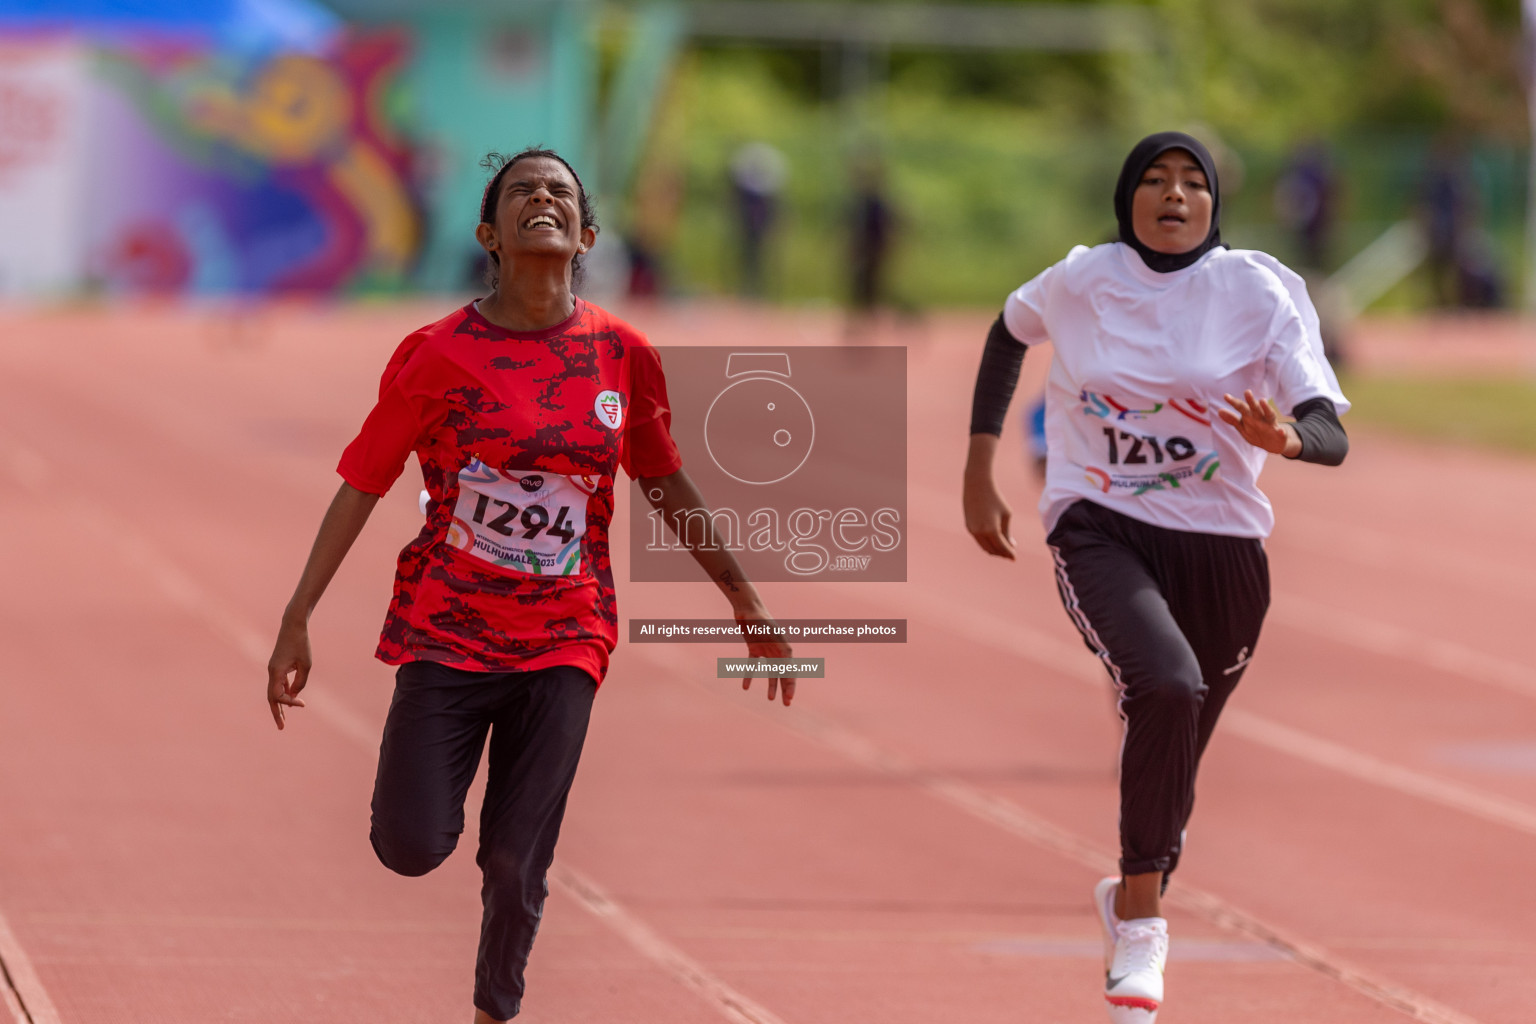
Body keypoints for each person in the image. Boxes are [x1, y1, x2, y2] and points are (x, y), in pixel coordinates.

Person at [265, 146, 795, 1024]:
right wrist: (297, 616)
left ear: (586, 233)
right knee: (409, 846)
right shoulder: (434, 355)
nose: (542, 199)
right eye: (522, 192)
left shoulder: (622, 355)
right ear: (490, 233)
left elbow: (662, 479)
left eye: (560, 193)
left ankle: (493, 1010)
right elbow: (363, 481)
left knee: (515, 862)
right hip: (449, 630)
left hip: (567, 636)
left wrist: (744, 598)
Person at [962, 132, 1348, 1023]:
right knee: (1164, 685)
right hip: (1101, 523)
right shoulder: (1080, 279)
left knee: (1178, 745)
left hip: (1223, 551)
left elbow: (1328, 428)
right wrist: (979, 469)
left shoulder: (1258, 290)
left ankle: (1135, 883)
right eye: (1153, 179)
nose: (1173, 194)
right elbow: (1006, 334)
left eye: (1192, 183)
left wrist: (1285, 439)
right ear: (1125, 196)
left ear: (1215, 204)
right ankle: (1142, 922)